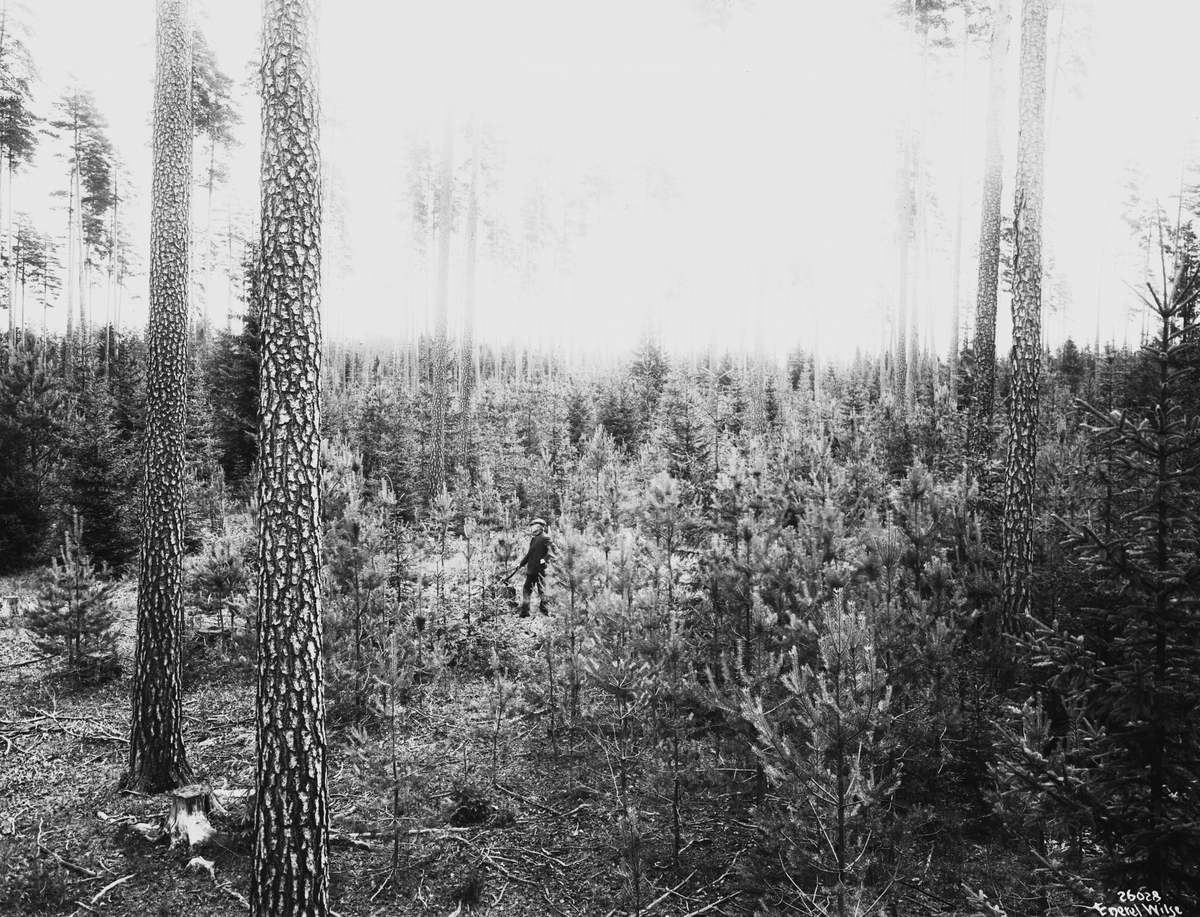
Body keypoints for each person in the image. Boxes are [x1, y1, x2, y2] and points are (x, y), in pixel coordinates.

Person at [508, 518, 552, 616]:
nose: (531, 528)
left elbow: (554, 551)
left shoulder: (545, 537)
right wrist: (521, 564)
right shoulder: (534, 539)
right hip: (531, 570)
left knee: (542, 592)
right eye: (531, 526)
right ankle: (524, 612)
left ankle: (544, 612)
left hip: (540, 571)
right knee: (526, 590)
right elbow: (529, 555)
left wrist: (544, 559)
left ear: (539, 527)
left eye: (533, 526)